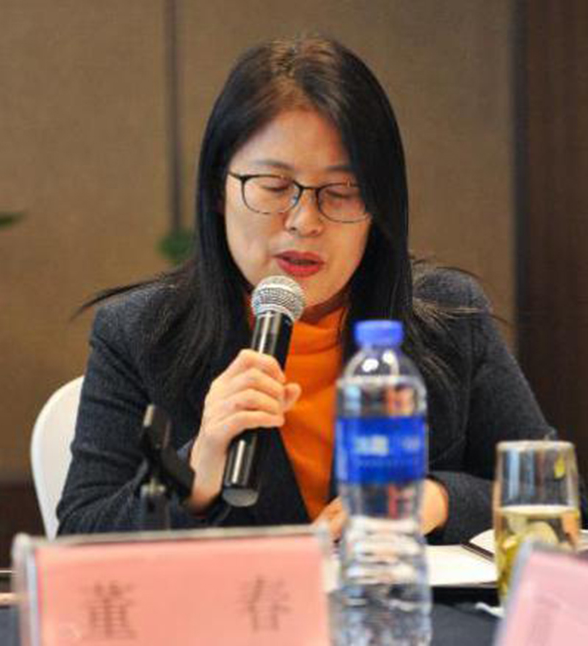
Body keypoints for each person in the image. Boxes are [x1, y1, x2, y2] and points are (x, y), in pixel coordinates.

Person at [57, 35, 551, 544]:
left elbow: (553, 495)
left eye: (342, 192)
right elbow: (78, 538)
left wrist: (435, 500)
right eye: (274, 187)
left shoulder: (451, 316)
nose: (304, 221)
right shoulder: (140, 332)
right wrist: (195, 474)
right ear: (218, 191)